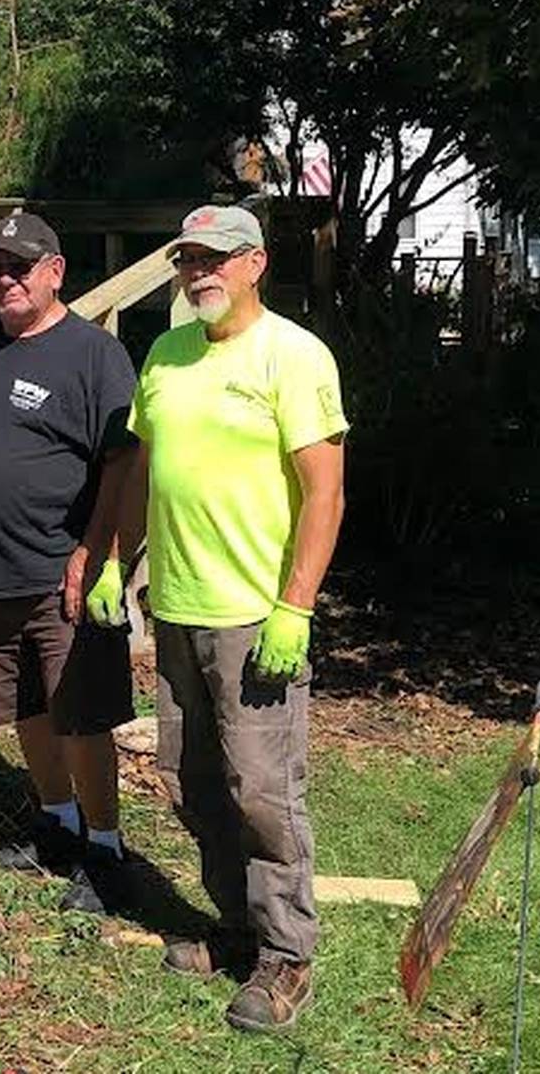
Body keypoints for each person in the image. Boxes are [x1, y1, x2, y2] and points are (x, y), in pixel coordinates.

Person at [103, 204, 347, 1032]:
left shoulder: (294, 356)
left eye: (215, 258)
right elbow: (142, 473)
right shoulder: (166, 356)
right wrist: (113, 559)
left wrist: (296, 607)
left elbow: (325, 491)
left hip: (254, 617)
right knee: (191, 780)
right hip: (175, 605)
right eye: (187, 259)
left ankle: (287, 957)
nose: (198, 272)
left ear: (254, 265)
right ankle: (236, 927)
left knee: (263, 791)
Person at [0, 213, 138, 913]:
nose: (5, 279)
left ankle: (106, 848)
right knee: (25, 708)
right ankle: (58, 819)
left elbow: (122, 462)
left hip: (61, 573)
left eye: (19, 267)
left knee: (79, 715)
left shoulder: (93, 355)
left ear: (55, 272)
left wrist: (96, 554)